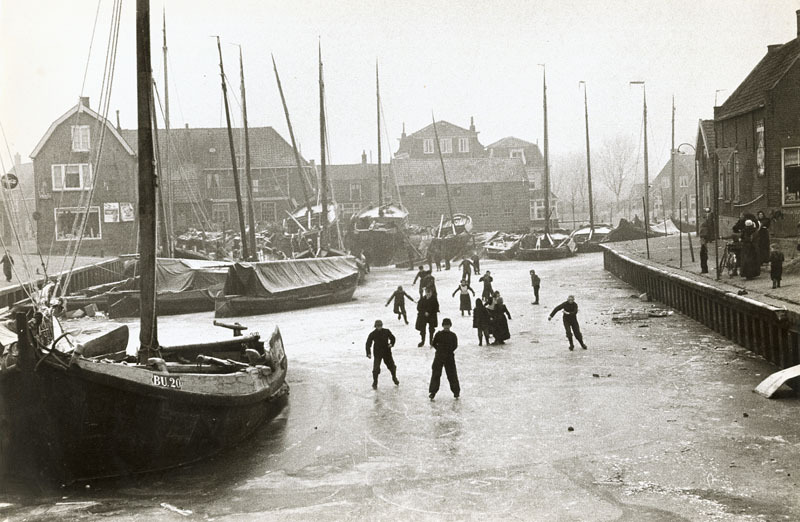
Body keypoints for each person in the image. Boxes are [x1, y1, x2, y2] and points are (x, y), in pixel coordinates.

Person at [429, 318, 460, 400]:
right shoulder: (438, 334)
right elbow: (434, 343)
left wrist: (448, 351)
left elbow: (455, 345)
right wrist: (439, 350)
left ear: (450, 326)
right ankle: (433, 392)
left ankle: (456, 392)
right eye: (445, 325)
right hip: (439, 357)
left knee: (452, 374)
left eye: (448, 325)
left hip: (449, 357)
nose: (446, 326)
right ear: (443, 325)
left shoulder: (453, 335)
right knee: (436, 374)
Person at [365, 320, 398, 389]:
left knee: (392, 367)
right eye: (377, 326)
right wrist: (368, 353)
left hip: (387, 352)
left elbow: (393, 338)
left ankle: (394, 377)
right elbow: (368, 343)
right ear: (375, 326)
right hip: (378, 353)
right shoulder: (373, 334)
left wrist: (391, 344)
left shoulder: (386, 331)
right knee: (376, 369)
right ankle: (375, 382)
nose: (379, 327)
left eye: (380, 326)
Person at [698, 208, 714, 274]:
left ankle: (704, 269)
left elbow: (703, 234)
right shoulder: (705, 223)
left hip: (703, 240)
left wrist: (703, 241)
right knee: (703, 254)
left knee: (703, 254)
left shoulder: (704, 225)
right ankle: (704, 269)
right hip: (704, 239)